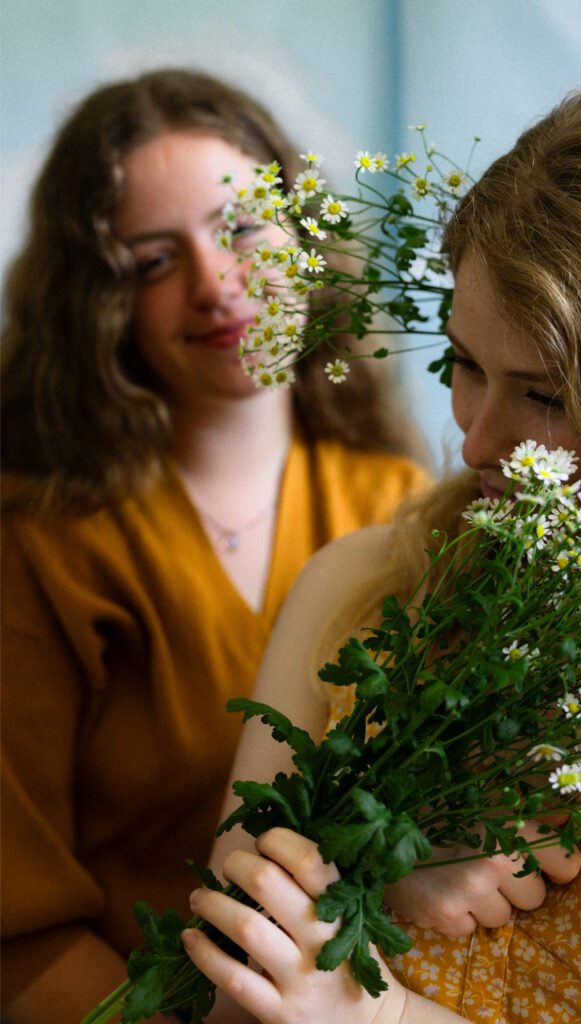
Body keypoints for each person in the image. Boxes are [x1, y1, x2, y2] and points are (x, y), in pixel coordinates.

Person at [180, 83, 581, 1023]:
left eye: (542, 396)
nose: (476, 441)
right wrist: (377, 861)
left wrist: (374, 1013)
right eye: (465, 364)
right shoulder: (364, 588)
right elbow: (225, 987)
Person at [0, 68, 432, 1022]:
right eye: (151, 261)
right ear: (95, 304)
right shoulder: (35, 545)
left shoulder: (406, 510)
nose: (216, 284)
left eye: (238, 228)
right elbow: (15, 926)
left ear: (304, 234)